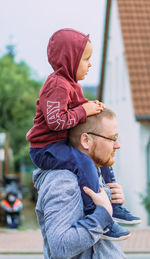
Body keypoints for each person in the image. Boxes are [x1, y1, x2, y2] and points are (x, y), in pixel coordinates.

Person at [26, 28, 139, 240]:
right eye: (85, 59)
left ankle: (114, 205)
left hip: (60, 143)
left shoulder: (71, 84)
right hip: (46, 148)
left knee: (102, 158)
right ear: (69, 59)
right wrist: (83, 110)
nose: (90, 64)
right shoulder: (57, 85)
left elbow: (76, 107)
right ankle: (97, 215)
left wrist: (90, 106)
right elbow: (57, 120)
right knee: (85, 164)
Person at [33, 109, 127, 258]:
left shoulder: (93, 174)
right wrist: (103, 213)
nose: (117, 145)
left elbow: (101, 240)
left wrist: (113, 205)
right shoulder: (63, 182)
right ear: (85, 141)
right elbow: (60, 247)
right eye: (112, 138)